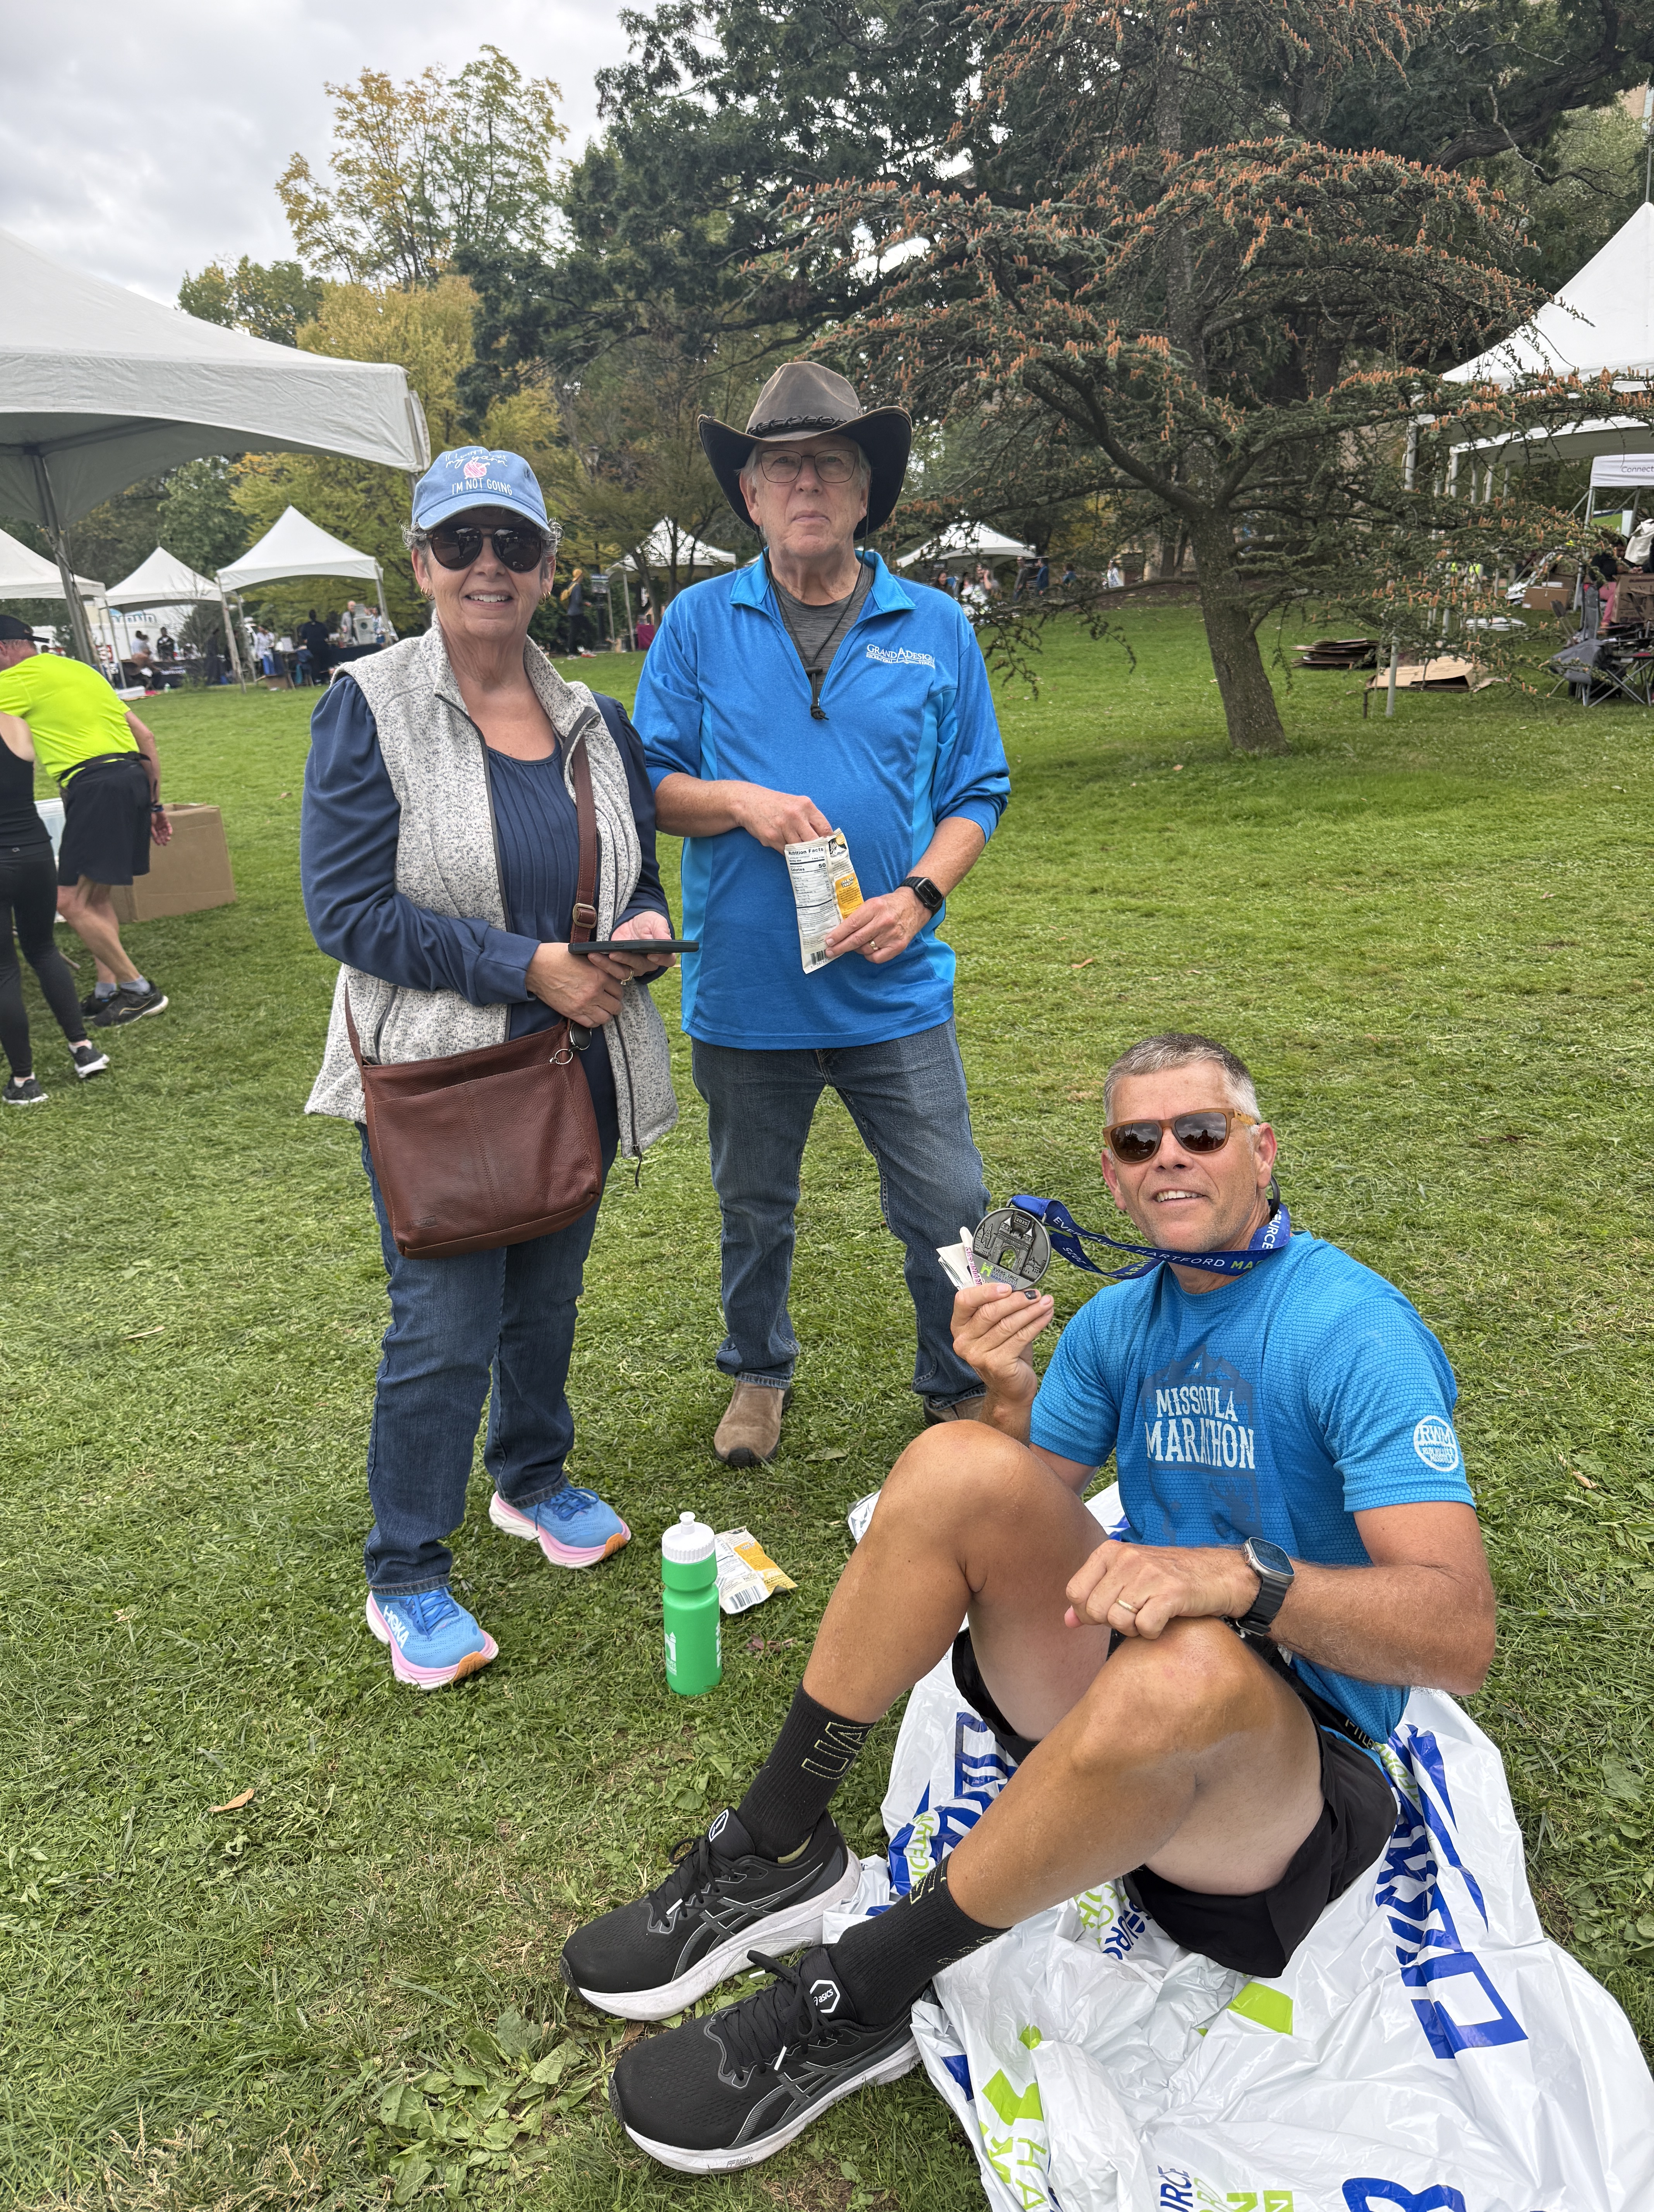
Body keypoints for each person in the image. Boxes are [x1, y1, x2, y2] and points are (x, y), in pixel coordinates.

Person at [565, 1030, 1495, 2176]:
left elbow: (1457, 1632)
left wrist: (1242, 1578)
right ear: (1107, 1173)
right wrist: (1002, 1399)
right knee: (956, 1459)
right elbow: (1005, 1519)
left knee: (1191, 1661)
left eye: (1200, 1132)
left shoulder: (1351, 1329)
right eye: (1135, 1139)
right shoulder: (1118, 1320)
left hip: (1286, 1773)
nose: (1170, 1157)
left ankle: (858, 1992)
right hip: (1128, 1696)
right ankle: (773, 1844)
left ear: (1260, 1150)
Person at [300, 445, 680, 1691]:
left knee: (548, 1295)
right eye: (458, 544)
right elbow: (348, 911)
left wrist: (630, 934)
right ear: (419, 565)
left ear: (546, 568)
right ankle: (404, 1570)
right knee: (444, 1322)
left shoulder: (593, 715)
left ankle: (531, 1476)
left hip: (574, 1060)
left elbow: (634, 877)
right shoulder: (365, 702)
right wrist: (528, 964)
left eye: (511, 545)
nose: (486, 567)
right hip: (442, 1078)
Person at [635, 360, 1010, 1465]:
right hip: (749, 994)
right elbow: (651, 784)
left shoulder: (936, 626)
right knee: (754, 1206)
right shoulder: (697, 625)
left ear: (863, 492)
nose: (806, 485)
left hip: (893, 984)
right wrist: (739, 801)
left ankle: (955, 1382)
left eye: (830, 466)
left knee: (954, 1202)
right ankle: (757, 1375)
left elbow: (976, 790)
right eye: (781, 468)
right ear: (750, 495)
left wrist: (920, 895)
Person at [0, 615, 171, 1027]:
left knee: (68, 901)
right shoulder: (81, 670)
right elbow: (145, 736)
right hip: (131, 779)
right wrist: (154, 805)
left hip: (96, 786)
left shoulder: (18, 678)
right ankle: (106, 989)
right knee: (94, 898)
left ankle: (139, 990)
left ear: (3, 649)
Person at [0, 697, 110, 1102]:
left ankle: (24, 1081)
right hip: (34, 854)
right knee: (43, 949)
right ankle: (83, 1049)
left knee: (3, 970)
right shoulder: (14, 724)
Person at [299, 609, 331, 686]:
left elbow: (303, 637)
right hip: (323, 646)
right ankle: (326, 678)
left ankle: (317, 680)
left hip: (312, 648)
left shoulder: (306, 626)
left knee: (315, 664)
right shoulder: (321, 625)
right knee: (324, 663)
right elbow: (327, 635)